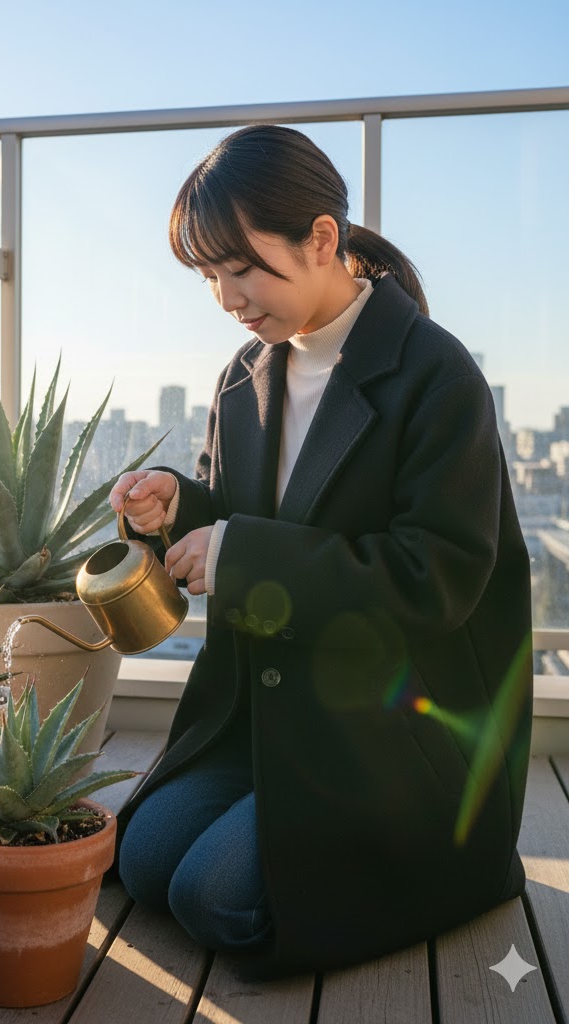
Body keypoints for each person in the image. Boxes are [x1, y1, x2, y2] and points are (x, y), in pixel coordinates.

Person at [109, 124, 533, 975]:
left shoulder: (435, 373)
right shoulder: (244, 375)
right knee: (146, 862)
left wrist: (238, 553)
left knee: (214, 898)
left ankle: (460, 867)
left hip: (388, 734)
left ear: (322, 238)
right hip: (268, 714)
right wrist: (177, 507)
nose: (226, 298)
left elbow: (434, 576)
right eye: (208, 276)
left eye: (241, 268)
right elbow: (244, 515)